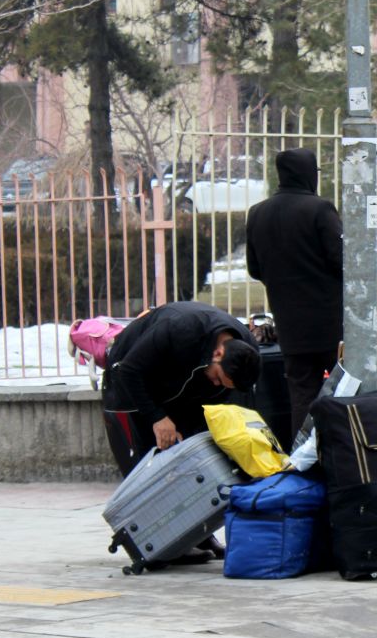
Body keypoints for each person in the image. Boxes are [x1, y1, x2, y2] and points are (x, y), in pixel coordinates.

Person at [245, 148, 345, 437]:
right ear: (309, 174)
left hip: (290, 325)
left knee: (301, 395)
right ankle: (345, 456)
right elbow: (342, 262)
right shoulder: (319, 209)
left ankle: (303, 457)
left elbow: (254, 269)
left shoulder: (258, 213)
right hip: (330, 323)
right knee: (345, 389)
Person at [101, 300, 262, 475]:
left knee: (188, 450)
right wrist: (157, 417)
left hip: (184, 381)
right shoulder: (181, 328)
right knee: (149, 457)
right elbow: (130, 370)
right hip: (134, 370)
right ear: (218, 353)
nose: (217, 384)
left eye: (223, 385)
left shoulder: (248, 350)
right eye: (217, 377)